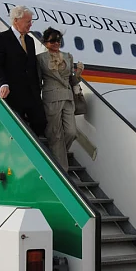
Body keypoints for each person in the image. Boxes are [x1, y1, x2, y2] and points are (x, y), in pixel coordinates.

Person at [0, 6, 47, 136]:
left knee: (41, 123)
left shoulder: (30, 40)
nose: (31, 24)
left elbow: (31, 67)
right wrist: (2, 84)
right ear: (16, 20)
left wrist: (37, 89)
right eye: (28, 21)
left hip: (31, 94)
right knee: (16, 128)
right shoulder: (2, 38)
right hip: (13, 93)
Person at [36, 27, 82, 171]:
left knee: (71, 132)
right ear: (45, 42)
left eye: (59, 40)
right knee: (55, 134)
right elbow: (38, 81)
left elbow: (72, 80)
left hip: (68, 97)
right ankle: (62, 170)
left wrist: (78, 74)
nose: (56, 43)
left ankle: (55, 157)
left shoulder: (68, 56)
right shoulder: (40, 59)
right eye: (53, 41)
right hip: (51, 98)